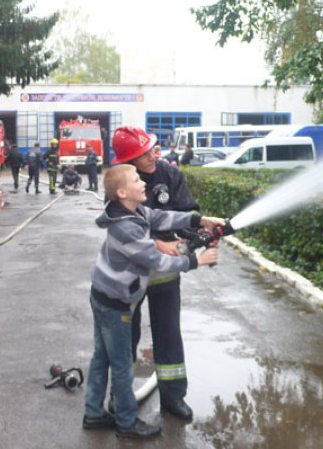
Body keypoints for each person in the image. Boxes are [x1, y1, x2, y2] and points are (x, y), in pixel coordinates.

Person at [83, 164, 222, 439]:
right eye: (137, 180)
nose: (144, 183)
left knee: (101, 357)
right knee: (122, 364)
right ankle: (126, 423)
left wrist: (198, 220)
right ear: (123, 192)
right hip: (115, 304)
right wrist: (196, 260)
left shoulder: (133, 212)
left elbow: (161, 217)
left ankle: (93, 413)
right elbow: (156, 260)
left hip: (102, 294)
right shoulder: (126, 228)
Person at [111, 126, 201, 422]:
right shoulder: (118, 182)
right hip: (130, 275)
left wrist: (196, 235)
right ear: (129, 160)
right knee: (126, 335)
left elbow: (186, 210)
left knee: (168, 333)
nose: (153, 155)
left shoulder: (169, 175)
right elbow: (122, 228)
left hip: (164, 272)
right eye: (143, 153)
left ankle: (173, 397)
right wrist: (158, 243)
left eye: (151, 148)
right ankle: (121, 396)